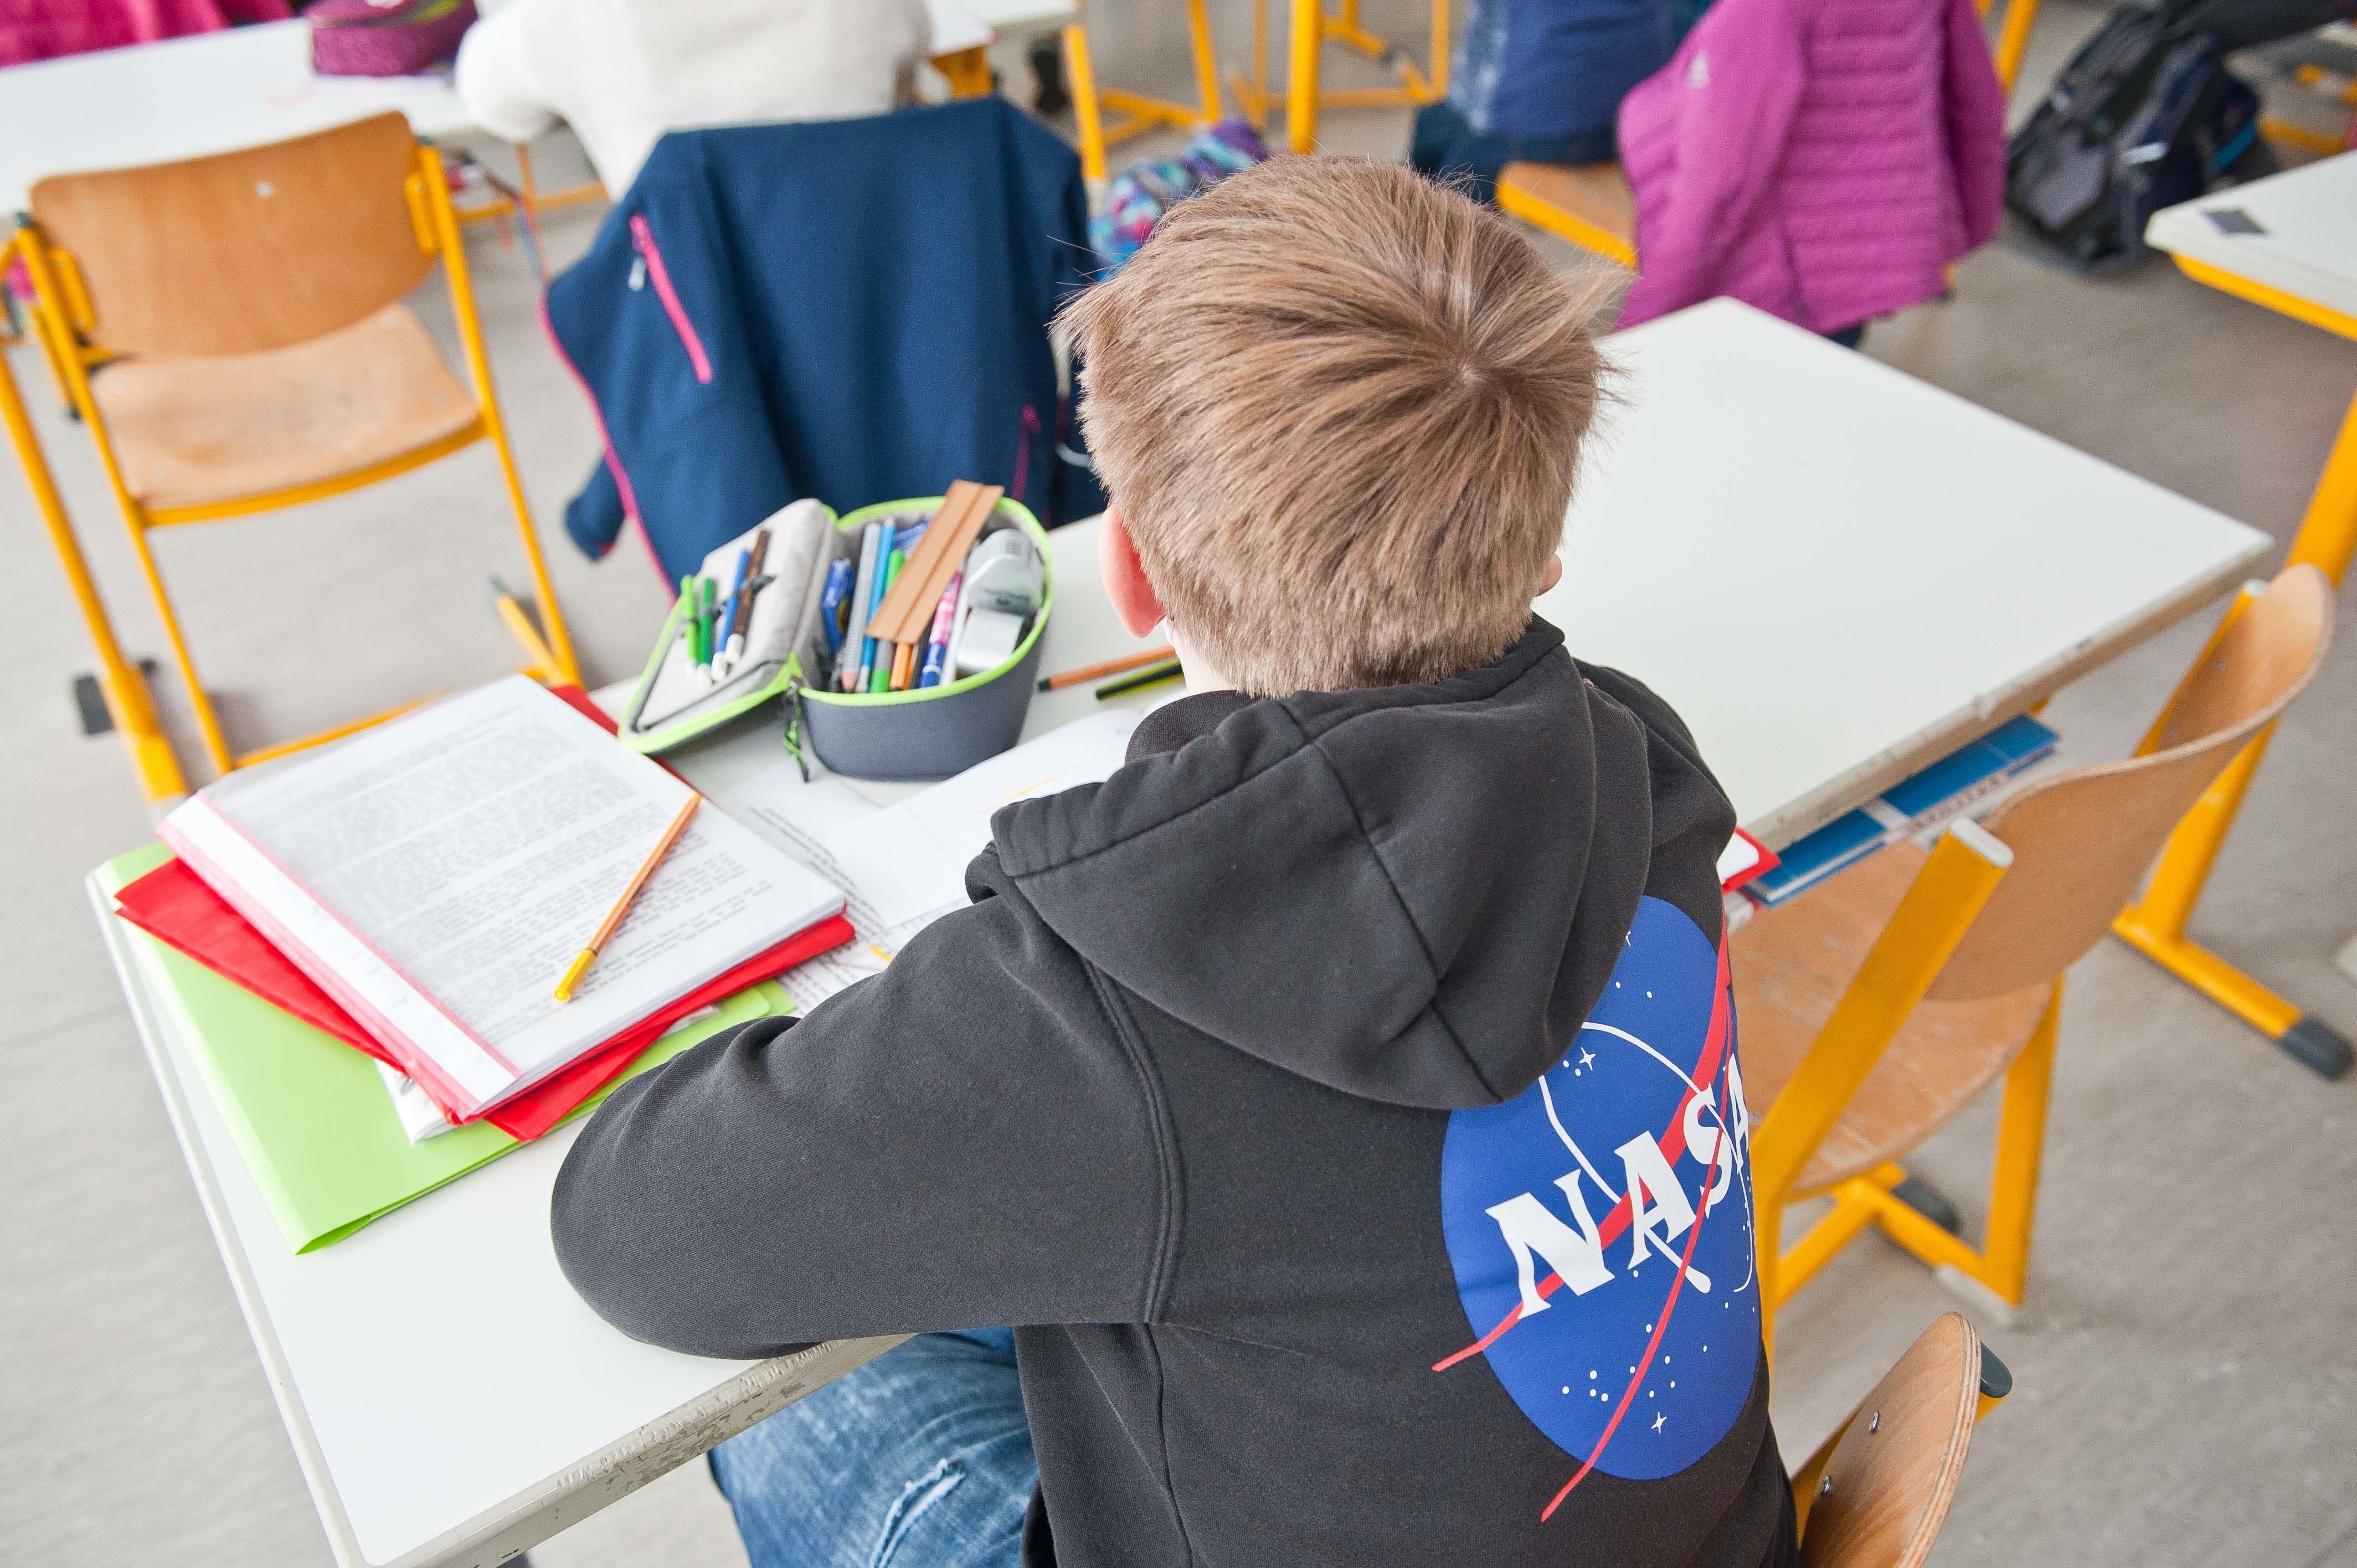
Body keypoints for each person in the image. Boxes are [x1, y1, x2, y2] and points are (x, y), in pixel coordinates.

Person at [551, 155, 1799, 1568]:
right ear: (1545, 550)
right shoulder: (1637, 758)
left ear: (1128, 573)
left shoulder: (1109, 1002)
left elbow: (634, 1231)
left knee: (798, 1402)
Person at [452, 0, 931, 198]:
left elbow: (496, 109)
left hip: (694, 323)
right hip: (893, 292)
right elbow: (912, 50)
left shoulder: (553, 18)